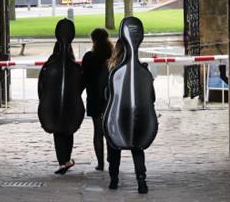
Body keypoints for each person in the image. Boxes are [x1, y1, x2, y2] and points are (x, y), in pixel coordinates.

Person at [104, 39, 154, 194]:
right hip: (137, 112)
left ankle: (114, 179)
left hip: (117, 112)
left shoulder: (112, 70)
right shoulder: (142, 70)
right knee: (137, 147)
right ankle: (141, 181)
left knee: (114, 146)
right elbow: (151, 96)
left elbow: (106, 94)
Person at [38, 19, 85, 175]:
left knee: (59, 132)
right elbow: (80, 86)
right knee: (68, 131)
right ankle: (66, 160)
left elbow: (42, 86)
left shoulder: (49, 65)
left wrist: (45, 101)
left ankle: (63, 161)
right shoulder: (75, 68)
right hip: (70, 104)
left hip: (54, 104)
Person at [82, 28, 113, 171]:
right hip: (110, 98)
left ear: (93, 40)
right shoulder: (112, 56)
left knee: (97, 131)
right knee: (110, 130)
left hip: (94, 97)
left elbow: (84, 79)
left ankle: (100, 163)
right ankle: (112, 157)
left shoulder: (89, 57)